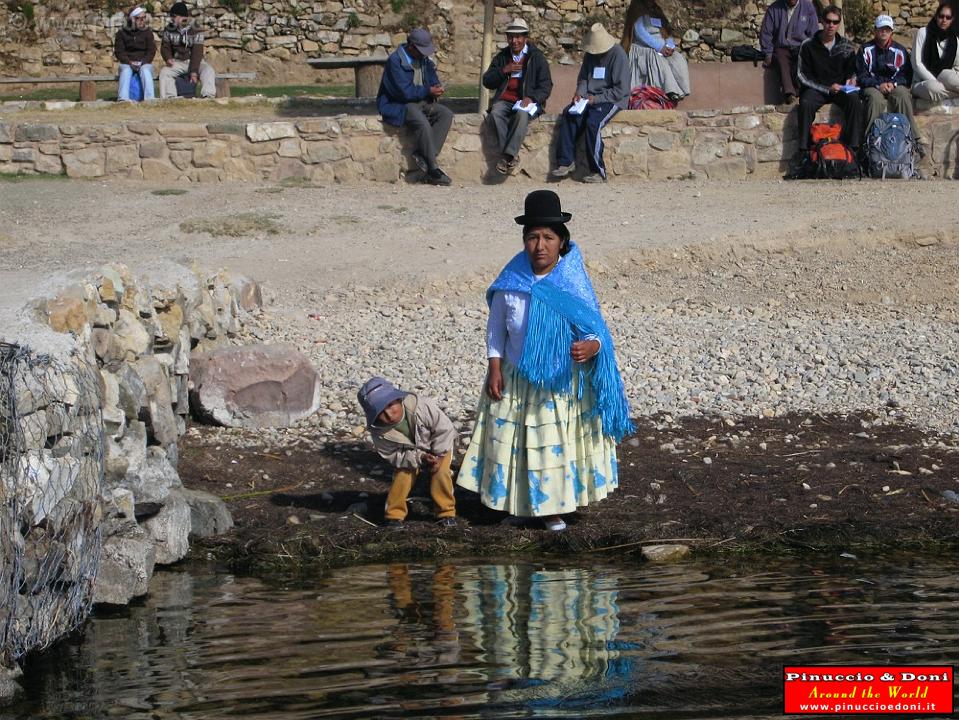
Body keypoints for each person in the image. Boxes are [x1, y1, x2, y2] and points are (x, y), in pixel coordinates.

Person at [456, 190, 633, 532]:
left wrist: (592, 348)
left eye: (548, 237)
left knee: (548, 445)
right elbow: (496, 330)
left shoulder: (571, 282)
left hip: (558, 381)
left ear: (562, 242)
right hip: (515, 376)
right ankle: (520, 504)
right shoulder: (511, 282)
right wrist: (494, 366)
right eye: (533, 237)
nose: (540, 245)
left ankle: (551, 507)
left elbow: (596, 330)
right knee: (515, 443)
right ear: (524, 241)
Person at [357, 376, 457, 528]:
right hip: (410, 455)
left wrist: (439, 455)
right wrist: (421, 458)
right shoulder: (378, 432)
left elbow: (445, 430)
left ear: (398, 399)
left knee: (441, 473)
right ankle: (394, 516)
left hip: (439, 446)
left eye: (391, 405)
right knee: (402, 476)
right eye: (381, 412)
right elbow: (394, 456)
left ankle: (446, 513)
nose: (389, 414)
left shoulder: (422, 406)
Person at [550, 24, 630, 183]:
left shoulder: (618, 55)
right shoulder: (590, 56)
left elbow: (621, 90)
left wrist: (597, 99)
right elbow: (584, 79)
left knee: (593, 123)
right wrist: (579, 93)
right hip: (589, 98)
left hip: (611, 99)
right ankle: (565, 162)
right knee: (569, 114)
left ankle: (598, 171)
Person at [377, 28, 454, 186]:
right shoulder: (395, 61)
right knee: (422, 123)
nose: (424, 54)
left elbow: (432, 80)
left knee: (446, 114)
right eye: (421, 50)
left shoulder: (425, 61)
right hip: (399, 104)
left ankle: (424, 155)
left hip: (422, 101)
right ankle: (433, 168)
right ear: (411, 46)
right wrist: (428, 90)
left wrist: (436, 89)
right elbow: (404, 93)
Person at [481, 18, 553, 175]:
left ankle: (507, 156)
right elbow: (487, 81)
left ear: (525, 38)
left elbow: (546, 85)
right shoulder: (502, 57)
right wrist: (504, 71)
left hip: (528, 101)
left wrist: (532, 98)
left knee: (521, 114)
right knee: (495, 113)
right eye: (511, 37)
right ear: (507, 38)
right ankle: (511, 157)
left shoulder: (536, 57)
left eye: (518, 37)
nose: (515, 41)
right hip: (505, 100)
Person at [796, 5, 863, 159]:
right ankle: (804, 151)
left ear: (839, 24)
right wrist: (826, 89)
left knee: (854, 101)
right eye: (828, 21)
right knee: (805, 103)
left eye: (835, 22)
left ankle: (853, 149)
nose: (831, 25)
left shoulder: (846, 46)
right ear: (821, 21)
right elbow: (801, 75)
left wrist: (852, 79)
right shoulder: (808, 45)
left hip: (840, 89)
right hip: (817, 89)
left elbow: (853, 70)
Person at [857, 15, 926, 154]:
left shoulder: (900, 50)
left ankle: (912, 139)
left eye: (887, 29)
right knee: (875, 100)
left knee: (903, 95)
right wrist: (878, 85)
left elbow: (906, 75)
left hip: (894, 86)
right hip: (873, 87)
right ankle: (870, 143)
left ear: (892, 32)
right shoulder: (865, 50)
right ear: (875, 31)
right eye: (881, 29)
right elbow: (861, 76)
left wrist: (893, 84)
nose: (884, 32)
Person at [620, 0, 690, 102]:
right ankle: (670, 90)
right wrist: (659, 47)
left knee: (678, 59)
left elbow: (667, 32)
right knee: (658, 59)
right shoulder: (636, 8)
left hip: (663, 46)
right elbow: (640, 32)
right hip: (645, 47)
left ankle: (682, 89)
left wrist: (669, 46)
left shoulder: (657, 11)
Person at [759, 0, 820, 104]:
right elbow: (766, 33)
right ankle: (789, 93)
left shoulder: (808, 7)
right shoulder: (774, 9)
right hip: (781, 47)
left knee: (802, 61)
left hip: (801, 46)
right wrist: (768, 52)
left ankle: (798, 91)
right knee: (781, 61)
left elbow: (813, 33)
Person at [159, 1, 216, 99]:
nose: (171, 19)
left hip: (194, 62)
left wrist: (194, 71)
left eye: (173, 16)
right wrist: (168, 58)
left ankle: (208, 96)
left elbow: (197, 52)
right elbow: (165, 47)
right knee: (165, 72)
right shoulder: (168, 29)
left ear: (181, 17)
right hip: (178, 62)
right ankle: (169, 98)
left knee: (208, 70)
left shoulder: (196, 29)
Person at [912, 0, 959, 103]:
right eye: (941, 16)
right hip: (923, 81)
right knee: (934, 88)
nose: (944, 20)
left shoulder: (955, 40)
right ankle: (955, 94)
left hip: (944, 79)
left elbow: (957, 66)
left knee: (949, 76)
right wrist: (934, 80)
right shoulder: (923, 33)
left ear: (952, 20)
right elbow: (916, 63)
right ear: (936, 16)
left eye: (948, 17)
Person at [114, 6, 157, 102]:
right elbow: (119, 52)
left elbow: (151, 51)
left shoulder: (147, 33)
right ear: (132, 19)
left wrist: (143, 62)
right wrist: (129, 62)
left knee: (145, 71)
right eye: (139, 18)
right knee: (126, 71)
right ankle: (123, 100)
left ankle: (150, 100)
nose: (142, 21)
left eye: (144, 18)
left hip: (143, 62)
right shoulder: (122, 34)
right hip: (128, 62)